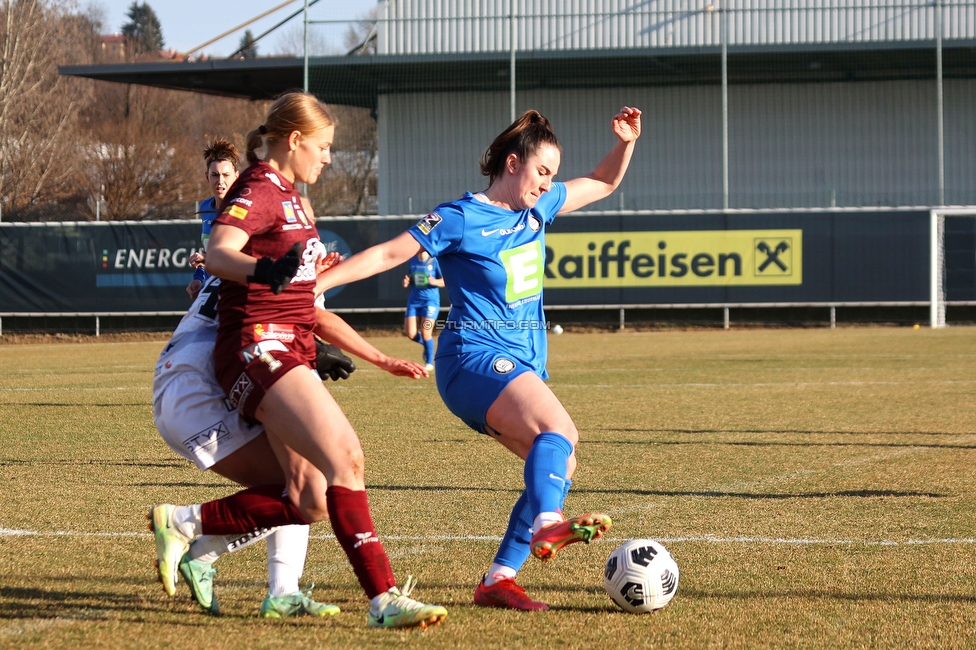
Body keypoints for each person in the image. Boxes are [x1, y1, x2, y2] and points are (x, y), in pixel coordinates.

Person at [316, 106, 643, 611]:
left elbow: (600, 182)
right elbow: (386, 254)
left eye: (552, 176)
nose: (548, 184)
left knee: (560, 460)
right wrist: (316, 286)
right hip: (471, 357)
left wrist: (624, 143)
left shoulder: (539, 206)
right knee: (559, 431)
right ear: (512, 163)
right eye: (541, 172)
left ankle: (499, 578)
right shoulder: (460, 218)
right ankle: (547, 524)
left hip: (518, 361)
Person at [150, 91, 447, 629]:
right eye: (325, 146)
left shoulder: (295, 199)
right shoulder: (259, 185)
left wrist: (380, 358)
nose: (329, 158)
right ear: (294, 140)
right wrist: (265, 274)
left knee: (308, 497)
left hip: (288, 344)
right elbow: (219, 253)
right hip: (257, 344)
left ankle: (184, 523)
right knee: (346, 456)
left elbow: (307, 303)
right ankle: (382, 599)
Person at [153, 246, 426, 617]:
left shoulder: (252, 254)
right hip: (204, 385)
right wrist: (375, 357)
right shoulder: (274, 256)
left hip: (193, 379)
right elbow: (306, 315)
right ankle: (188, 529)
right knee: (309, 488)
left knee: (303, 482)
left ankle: (279, 588)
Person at [186, 139, 241, 300]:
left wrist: (208, 259)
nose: (220, 181)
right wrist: (198, 278)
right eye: (215, 175)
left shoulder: (243, 210)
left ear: (237, 177)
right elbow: (207, 253)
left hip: (238, 293)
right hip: (212, 292)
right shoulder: (205, 208)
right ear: (207, 177)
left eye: (226, 175)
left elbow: (243, 257)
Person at [401, 250, 444, 370]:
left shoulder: (434, 261)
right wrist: (406, 282)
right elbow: (410, 278)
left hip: (430, 301)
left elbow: (445, 280)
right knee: (411, 334)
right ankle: (427, 345)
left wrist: (435, 282)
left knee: (426, 333)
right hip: (414, 301)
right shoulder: (412, 260)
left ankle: (429, 363)